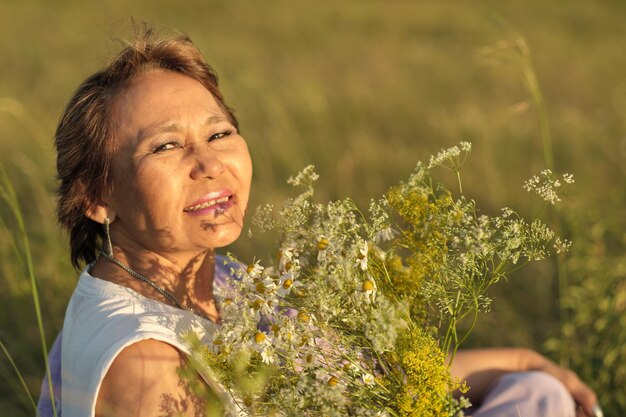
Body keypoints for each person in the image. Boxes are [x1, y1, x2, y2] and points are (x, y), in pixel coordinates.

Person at [37, 27, 601, 417]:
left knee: (537, 393)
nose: (209, 165)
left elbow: (356, 377)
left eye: (219, 133)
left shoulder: (217, 278)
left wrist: (523, 360)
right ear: (97, 198)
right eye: (165, 146)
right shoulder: (146, 362)